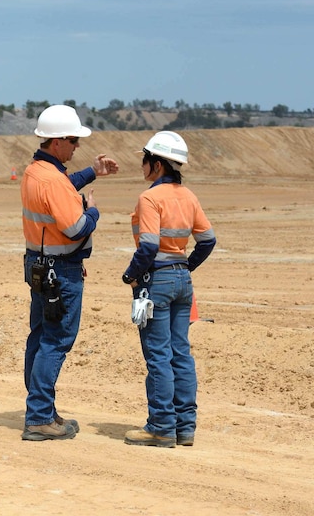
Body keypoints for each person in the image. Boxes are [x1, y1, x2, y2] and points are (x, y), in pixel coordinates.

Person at [20, 104, 119, 441]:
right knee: (56, 340)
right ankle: (38, 418)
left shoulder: (36, 171)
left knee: (40, 337)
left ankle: (42, 410)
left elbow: (62, 186)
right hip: (59, 272)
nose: (77, 145)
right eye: (74, 140)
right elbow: (76, 228)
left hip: (39, 266)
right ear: (58, 141)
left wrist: (92, 172)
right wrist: (93, 212)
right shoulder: (53, 180)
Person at [121, 131, 216, 448]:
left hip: (155, 282)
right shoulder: (188, 196)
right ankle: (184, 426)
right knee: (180, 354)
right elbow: (208, 240)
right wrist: (185, 266)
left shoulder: (149, 198)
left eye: (144, 159)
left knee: (159, 356)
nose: (142, 165)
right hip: (181, 281)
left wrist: (131, 275)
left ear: (157, 164)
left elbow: (147, 246)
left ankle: (161, 426)